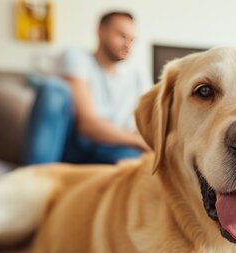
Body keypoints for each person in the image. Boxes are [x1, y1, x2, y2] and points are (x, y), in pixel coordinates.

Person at [24, 11, 150, 165]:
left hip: (113, 147)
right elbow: (87, 124)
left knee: (142, 163)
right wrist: (138, 141)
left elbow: (143, 124)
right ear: (101, 32)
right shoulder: (77, 57)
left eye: (132, 40)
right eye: (122, 36)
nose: (127, 45)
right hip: (75, 144)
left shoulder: (137, 76)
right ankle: (36, 175)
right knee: (53, 88)